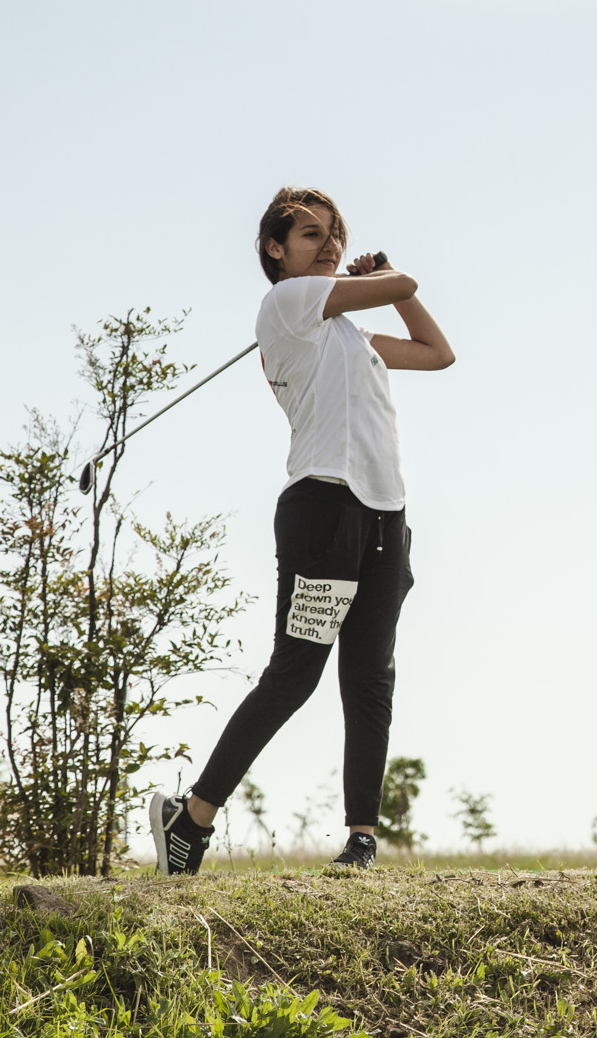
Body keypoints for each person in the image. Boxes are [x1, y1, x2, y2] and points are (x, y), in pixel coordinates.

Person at [150, 186, 455, 873]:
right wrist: (376, 276)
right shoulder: (286, 304)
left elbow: (438, 353)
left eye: (335, 233)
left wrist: (371, 285)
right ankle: (191, 820)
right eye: (312, 234)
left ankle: (362, 839)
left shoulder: (352, 335)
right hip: (324, 507)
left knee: (371, 675)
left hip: (385, 515)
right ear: (275, 250)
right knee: (296, 673)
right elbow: (402, 280)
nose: (329, 243)